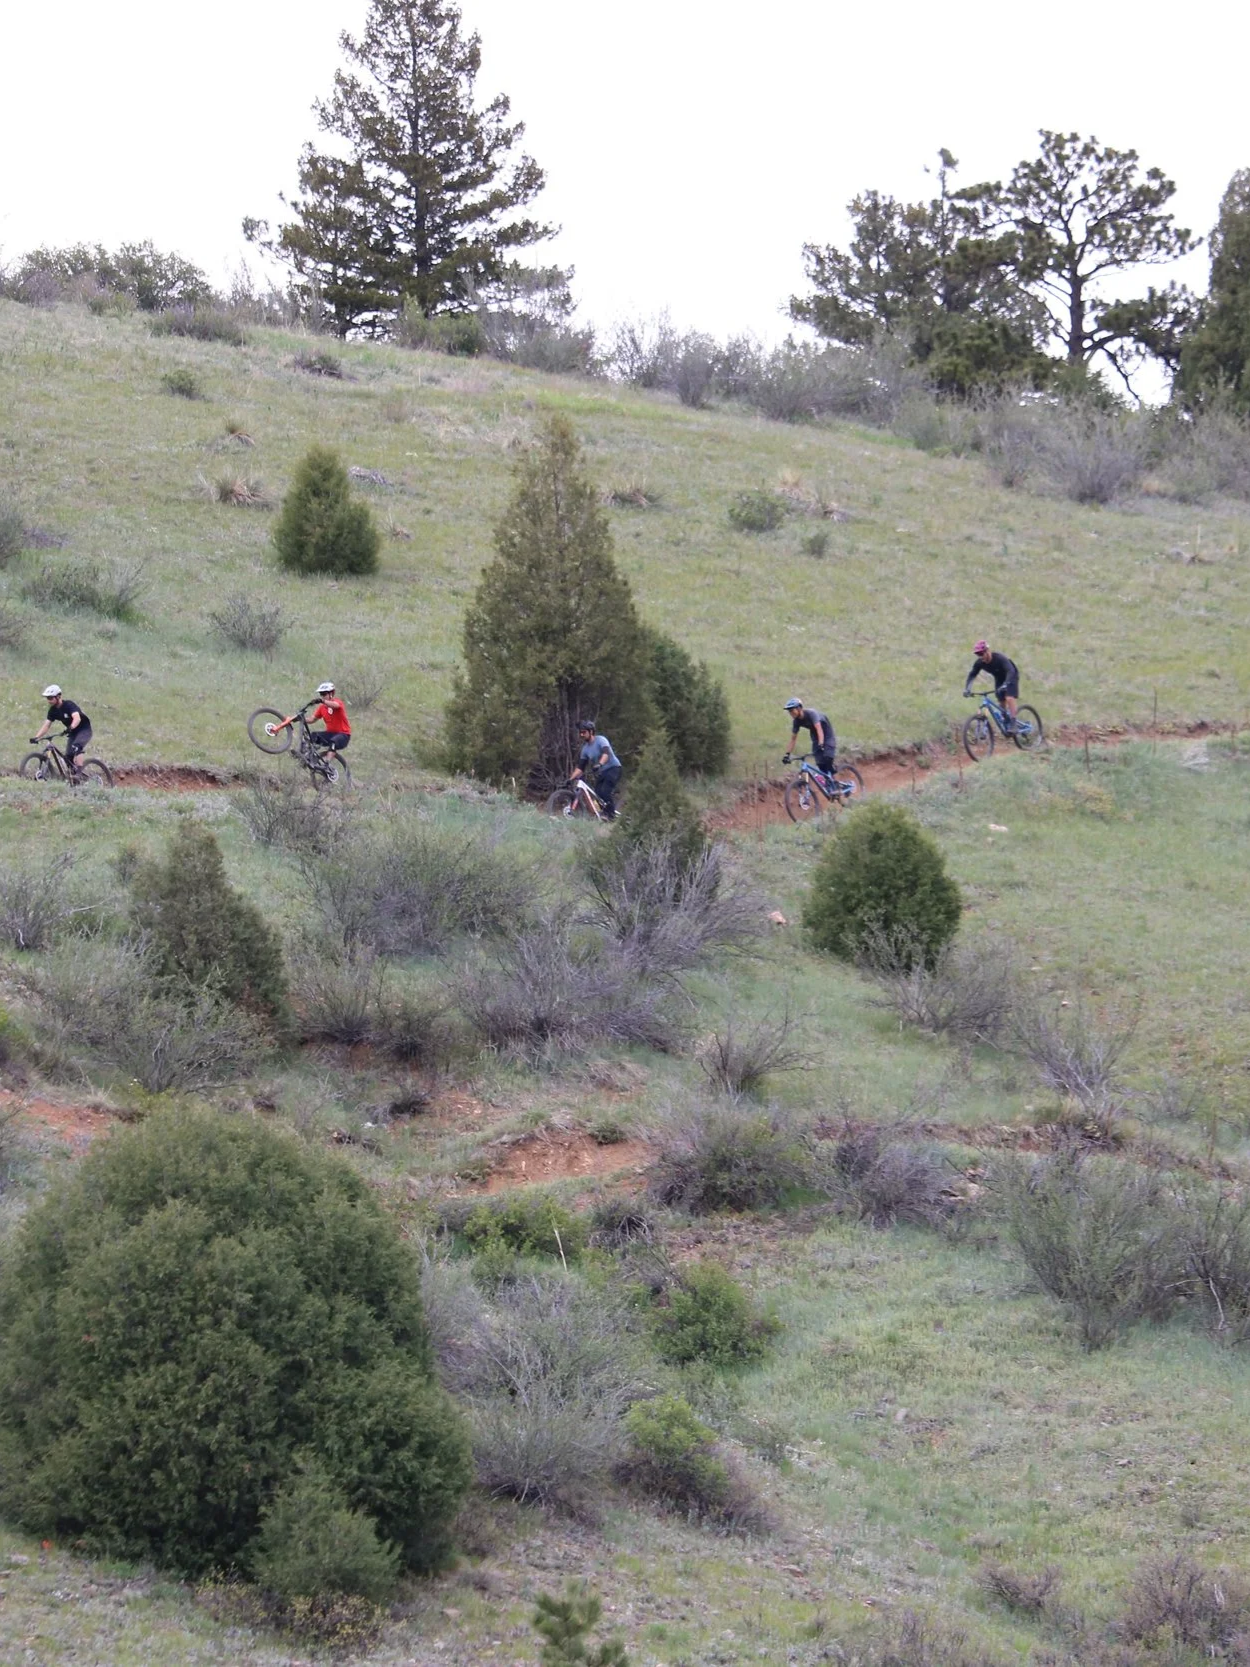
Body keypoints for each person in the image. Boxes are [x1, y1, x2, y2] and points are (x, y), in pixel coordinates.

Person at [270, 681, 351, 753]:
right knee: (313, 736)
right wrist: (300, 719)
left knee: (334, 742)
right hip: (330, 734)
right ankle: (307, 755)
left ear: (331, 693)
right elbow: (312, 719)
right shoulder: (322, 708)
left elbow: (335, 706)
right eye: (321, 694)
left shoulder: (337, 702)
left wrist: (323, 701)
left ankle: (326, 763)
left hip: (343, 735)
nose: (322, 696)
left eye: (324, 694)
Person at [32, 684, 92, 776]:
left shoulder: (69, 705)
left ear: (58, 696)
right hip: (73, 732)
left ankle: (79, 774)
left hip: (84, 730)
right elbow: (46, 725)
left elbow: (77, 718)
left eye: (51, 698)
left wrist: (70, 727)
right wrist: (36, 737)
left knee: (77, 747)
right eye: (47, 698)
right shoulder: (53, 710)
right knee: (68, 757)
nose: (49, 701)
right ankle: (73, 777)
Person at [571, 719, 621, 820]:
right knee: (597, 794)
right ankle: (604, 814)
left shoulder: (601, 740)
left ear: (591, 732)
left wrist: (599, 764)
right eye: (580, 732)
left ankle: (611, 816)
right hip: (602, 772)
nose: (581, 734)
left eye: (584, 732)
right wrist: (570, 779)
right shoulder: (585, 749)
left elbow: (606, 754)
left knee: (605, 792)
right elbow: (580, 767)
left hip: (614, 768)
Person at [963, 640, 1019, 729]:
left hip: (1011, 676)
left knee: (1009, 697)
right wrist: (967, 689)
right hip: (999, 678)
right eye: (978, 655)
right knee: (1001, 699)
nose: (981, 657)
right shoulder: (979, 663)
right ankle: (1005, 719)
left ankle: (1013, 722)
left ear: (988, 651)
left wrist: (1006, 684)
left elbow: (1010, 671)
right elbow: (972, 674)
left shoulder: (1000, 658)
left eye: (982, 654)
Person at [782, 697, 837, 779]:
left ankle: (833, 774)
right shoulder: (796, 721)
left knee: (827, 757)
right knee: (820, 763)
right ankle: (828, 783)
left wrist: (821, 743)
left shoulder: (811, 713)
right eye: (789, 711)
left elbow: (819, 728)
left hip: (827, 734)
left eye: (792, 710)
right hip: (815, 736)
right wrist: (787, 754)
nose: (791, 713)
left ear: (799, 708)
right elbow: (793, 739)